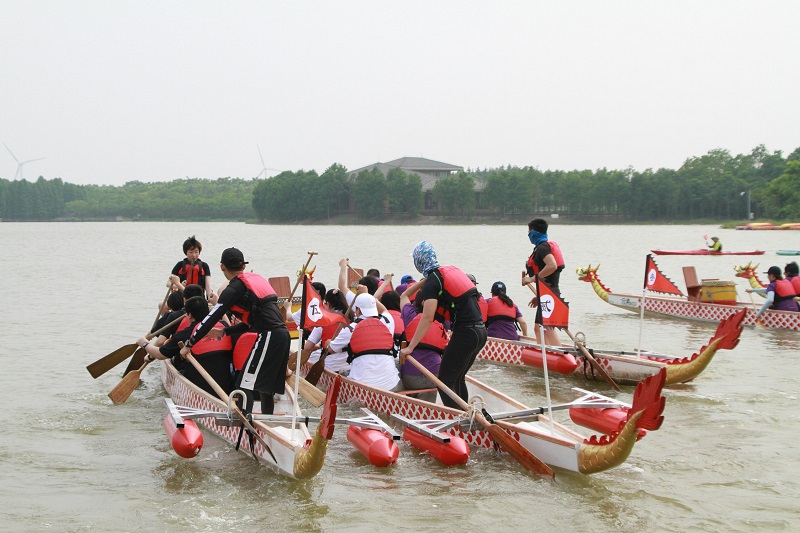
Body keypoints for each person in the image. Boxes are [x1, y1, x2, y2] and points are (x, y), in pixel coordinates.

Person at [180, 248, 290, 415]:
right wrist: (225, 332)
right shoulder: (257, 280)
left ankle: (245, 425)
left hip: (269, 336)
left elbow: (210, 319)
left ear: (222, 267)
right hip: (282, 336)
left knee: (243, 383)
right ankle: (267, 422)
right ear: (244, 267)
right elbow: (252, 322)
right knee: (265, 388)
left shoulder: (233, 290)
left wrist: (190, 343)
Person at [399, 241, 487, 409]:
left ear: (419, 261)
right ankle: (465, 417)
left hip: (466, 333)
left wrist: (410, 347)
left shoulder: (432, 282)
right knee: (457, 379)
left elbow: (427, 317)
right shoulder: (449, 271)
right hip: (481, 332)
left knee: (444, 383)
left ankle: (459, 422)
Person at [138, 296, 234, 395]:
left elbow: (160, 355)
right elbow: (227, 324)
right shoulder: (224, 328)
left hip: (198, 386)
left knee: (177, 360)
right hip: (226, 386)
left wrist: (144, 343)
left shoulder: (184, 334)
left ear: (189, 315)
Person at [325, 293, 402, 391]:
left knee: (343, 371)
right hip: (391, 385)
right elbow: (384, 310)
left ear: (358, 310)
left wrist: (328, 343)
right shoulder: (387, 321)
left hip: (363, 387)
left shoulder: (351, 328)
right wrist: (368, 294)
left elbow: (331, 349)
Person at [521, 218, 564, 346]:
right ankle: (544, 354)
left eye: (529, 232)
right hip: (546, 294)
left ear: (534, 233)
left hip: (550, 294)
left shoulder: (542, 248)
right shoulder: (540, 248)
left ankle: (560, 357)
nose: (528, 235)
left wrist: (532, 278)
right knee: (539, 329)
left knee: (547, 329)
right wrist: (538, 296)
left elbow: (552, 265)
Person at [400, 292, 447, 402]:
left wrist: (425, 281)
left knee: (397, 364)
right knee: (428, 401)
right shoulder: (440, 323)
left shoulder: (409, 316)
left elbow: (404, 296)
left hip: (411, 377)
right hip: (433, 376)